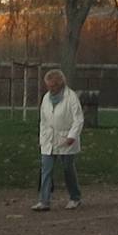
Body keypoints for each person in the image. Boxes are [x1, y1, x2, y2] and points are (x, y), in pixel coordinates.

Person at [33, 66, 84, 211]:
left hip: (66, 139)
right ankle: (44, 200)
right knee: (46, 169)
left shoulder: (71, 97)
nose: (50, 89)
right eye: (48, 86)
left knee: (68, 169)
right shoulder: (46, 98)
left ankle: (75, 197)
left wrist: (72, 136)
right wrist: (42, 139)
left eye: (53, 86)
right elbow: (43, 121)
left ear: (60, 84)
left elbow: (78, 119)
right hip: (49, 138)